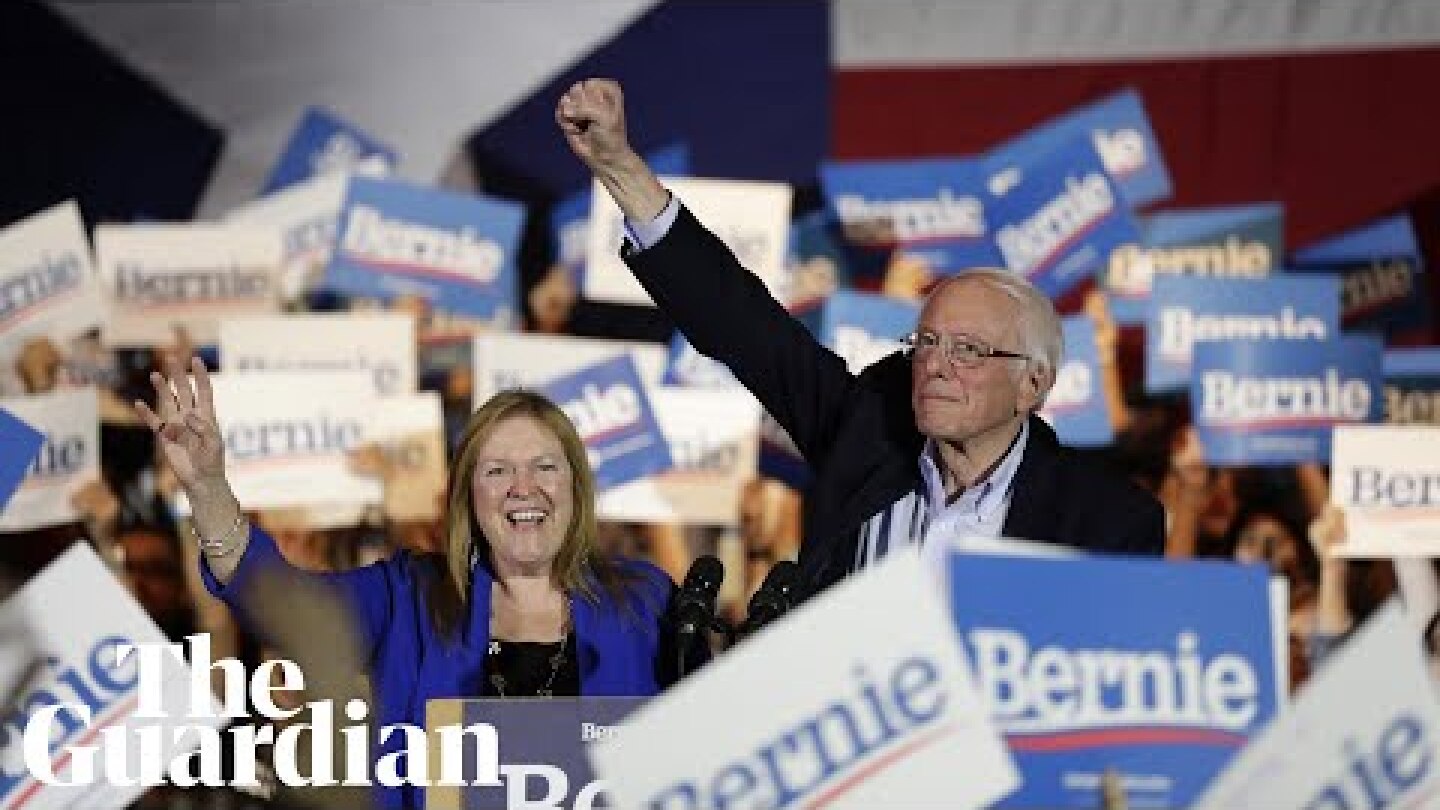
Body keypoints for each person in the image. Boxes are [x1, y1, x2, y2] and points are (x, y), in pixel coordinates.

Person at [556, 79, 1164, 600]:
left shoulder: (1106, 521)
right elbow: (742, 325)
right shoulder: (867, 435)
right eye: (927, 341)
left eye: (969, 350)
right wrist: (620, 168)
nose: (936, 365)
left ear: (1033, 382)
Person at [134, 356, 687, 809]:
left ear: (576, 486)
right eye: (497, 471)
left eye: (545, 466)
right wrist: (207, 488)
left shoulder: (643, 602)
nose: (524, 488)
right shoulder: (410, 597)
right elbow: (277, 599)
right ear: (469, 497)